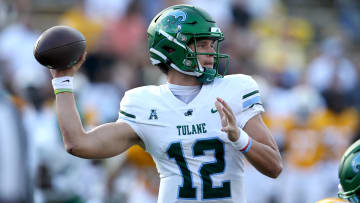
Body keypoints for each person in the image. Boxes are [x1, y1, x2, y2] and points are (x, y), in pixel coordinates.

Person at [49, 4, 282, 203]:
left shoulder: (234, 90)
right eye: (202, 45)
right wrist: (62, 81)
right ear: (172, 49)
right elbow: (78, 144)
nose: (212, 52)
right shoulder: (143, 103)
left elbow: (274, 166)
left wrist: (239, 137)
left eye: (212, 44)